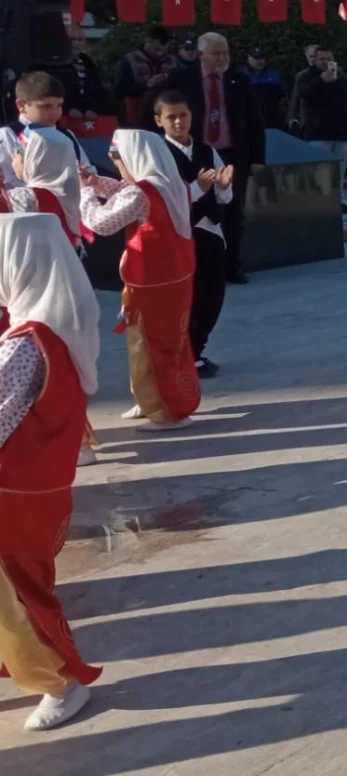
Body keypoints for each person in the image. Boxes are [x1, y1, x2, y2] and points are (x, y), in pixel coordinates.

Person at [0, 211, 103, 732]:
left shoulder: (23, 343)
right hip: (40, 487)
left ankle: (60, 681)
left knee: (16, 596)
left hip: (11, 490)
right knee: (23, 586)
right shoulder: (62, 328)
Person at [79, 130, 200, 430]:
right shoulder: (174, 184)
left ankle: (166, 411)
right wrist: (96, 182)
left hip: (151, 282)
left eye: (118, 161)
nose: (118, 168)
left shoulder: (141, 194)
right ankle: (155, 400)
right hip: (175, 276)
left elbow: (101, 223)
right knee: (170, 342)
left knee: (150, 344)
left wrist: (85, 193)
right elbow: (125, 189)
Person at [155, 32, 266, 286]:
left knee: (233, 213)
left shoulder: (239, 81)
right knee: (192, 209)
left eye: (225, 53)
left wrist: (257, 158)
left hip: (230, 155)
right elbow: (158, 110)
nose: (222, 58)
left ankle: (231, 266)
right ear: (201, 53)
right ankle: (193, 266)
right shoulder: (181, 79)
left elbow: (254, 121)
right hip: (193, 154)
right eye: (216, 53)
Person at [153, 90, 232, 380]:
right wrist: (198, 188)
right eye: (171, 117)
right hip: (182, 233)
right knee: (191, 295)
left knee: (213, 293)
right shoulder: (158, 155)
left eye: (183, 115)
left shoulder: (206, 150)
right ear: (159, 121)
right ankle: (188, 352)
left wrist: (222, 186)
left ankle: (198, 347)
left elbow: (224, 197)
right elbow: (165, 198)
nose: (178, 122)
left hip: (210, 230)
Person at [2, 73, 91, 191]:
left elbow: (88, 171)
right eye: (46, 106)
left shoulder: (67, 134)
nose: (55, 113)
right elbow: (6, 184)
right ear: (21, 105)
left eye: (59, 105)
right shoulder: (8, 135)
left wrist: (86, 177)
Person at [299, 46, 347, 215]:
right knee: (319, 169)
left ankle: (337, 202)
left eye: (328, 59)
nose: (325, 62)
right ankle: (318, 202)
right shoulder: (307, 76)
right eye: (321, 59)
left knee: (339, 170)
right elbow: (304, 94)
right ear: (314, 60)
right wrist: (321, 80)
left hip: (340, 132)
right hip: (318, 131)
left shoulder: (340, 78)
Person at [2, 128, 83, 248]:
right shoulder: (74, 193)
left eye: (17, 155)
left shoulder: (23, 198)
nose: (13, 160)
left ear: (31, 160)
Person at [116, 27, 175, 127]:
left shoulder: (173, 62)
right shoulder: (129, 61)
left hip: (166, 118)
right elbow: (120, 90)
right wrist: (147, 85)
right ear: (147, 41)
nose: (159, 53)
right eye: (156, 49)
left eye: (164, 50)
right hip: (135, 118)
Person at [51, 27, 109, 124]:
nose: (76, 43)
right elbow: (48, 92)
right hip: (59, 121)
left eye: (80, 40)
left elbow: (99, 92)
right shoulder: (51, 65)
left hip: (85, 123)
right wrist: (67, 108)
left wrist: (93, 109)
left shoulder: (90, 66)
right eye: (71, 39)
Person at [242, 48, 283, 130]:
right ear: (249, 59)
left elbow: (279, 96)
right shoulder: (241, 76)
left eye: (262, 58)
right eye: (257, 58)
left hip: (271, 122)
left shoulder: (273, 74)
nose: (260, 61)